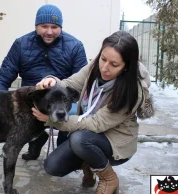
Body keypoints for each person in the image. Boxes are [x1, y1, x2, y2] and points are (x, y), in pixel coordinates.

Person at [33, 31, 154, 194]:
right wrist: (52, 82)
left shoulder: (132, 92)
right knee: (52, 165)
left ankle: (109, 178)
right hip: (89, 137)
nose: (105, 68)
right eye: (103, 59)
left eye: (114, 64)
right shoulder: (94, 68)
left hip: (114, 142)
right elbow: (70, 85)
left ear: (126, 66)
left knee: (79, 139)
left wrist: (52, 120)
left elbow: (96, 124)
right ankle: (88, 165)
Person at [0, 4, 88, 161]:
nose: (49, 32)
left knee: (74, 111)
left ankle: (65, 147)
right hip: (31, 99)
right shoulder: (21, 44)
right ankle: (36, 138)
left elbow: (83, 82)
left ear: (60, 27)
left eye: (54, 27)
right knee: (14, 112)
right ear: (36, 26)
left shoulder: (75, 46)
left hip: (61, 100)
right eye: (44, 26)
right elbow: (3, 76)